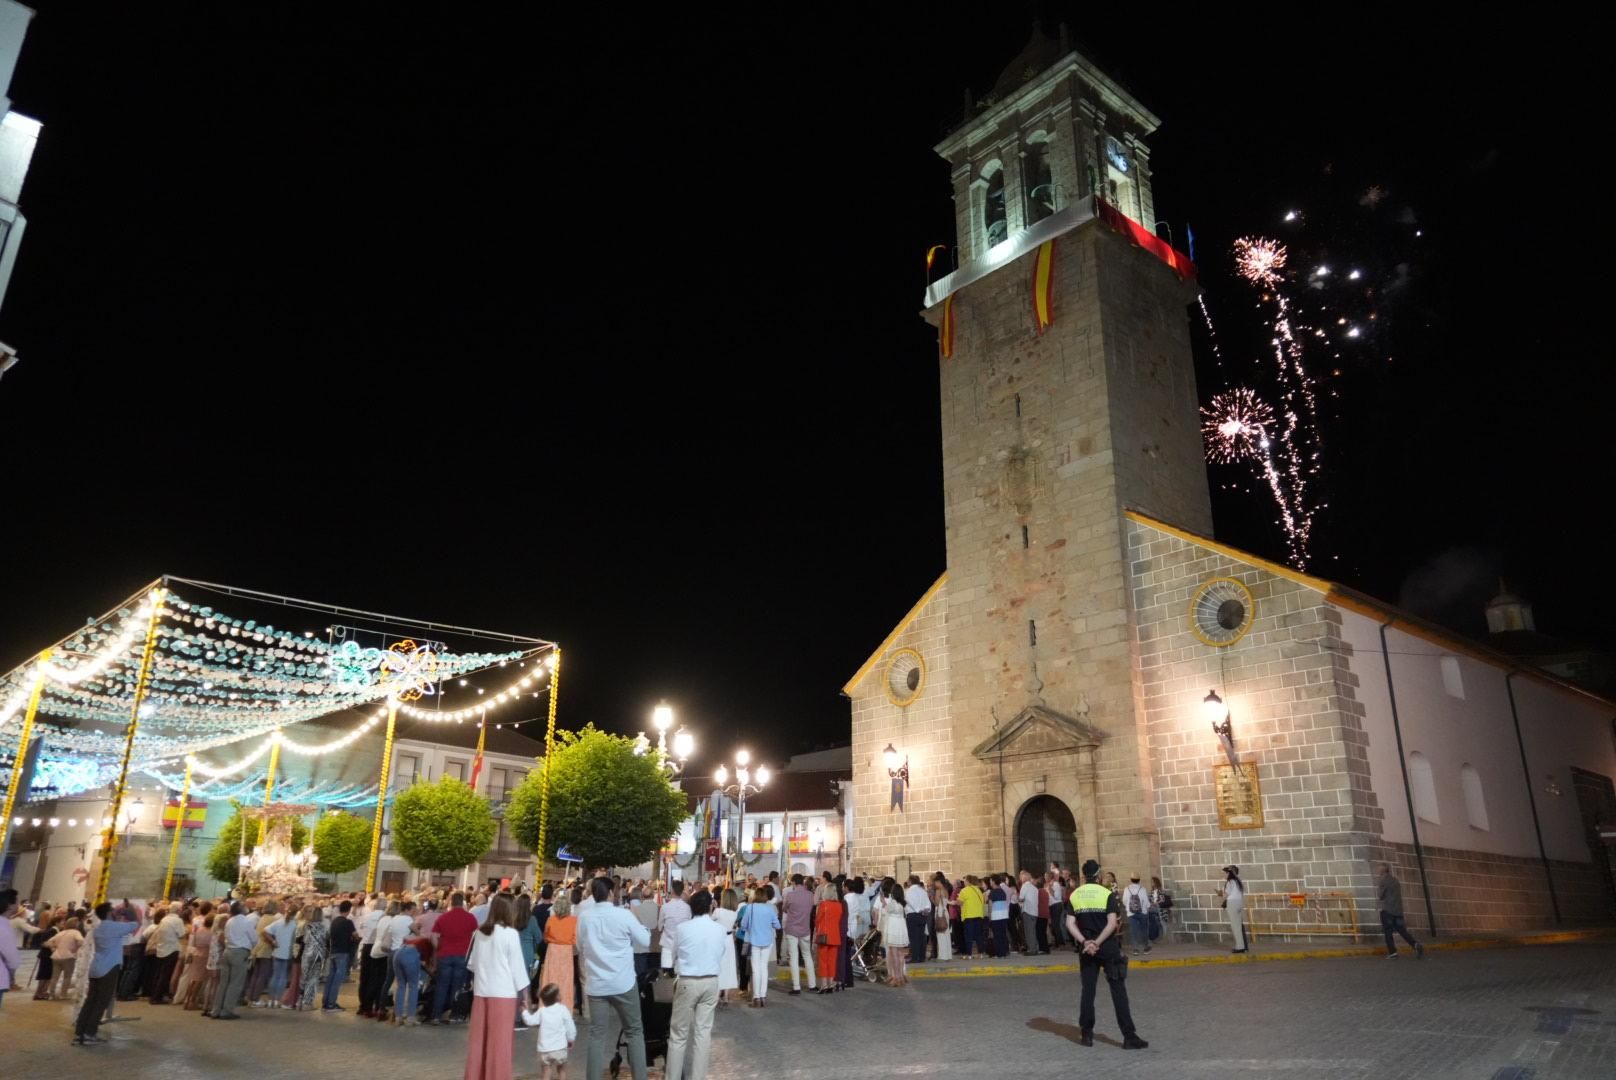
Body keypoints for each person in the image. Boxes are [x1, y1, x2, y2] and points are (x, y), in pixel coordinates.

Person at [1066, 858, 1147, 1050]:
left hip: (1086, 950)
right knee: (1118, 991)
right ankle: (1129, 1036)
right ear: (1099, 875)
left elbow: (1069, 924)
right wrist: (1098, 942)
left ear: (1084, 875)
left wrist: (1086, 942)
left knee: (1088, 991)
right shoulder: (1107, 894)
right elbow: (1112, 924)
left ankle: (1086, 1034)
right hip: (1108, 947)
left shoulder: (1075, 894)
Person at [575, 876, 650, 1080]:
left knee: (596, 1036)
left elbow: (579, 946)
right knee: (634, 1032)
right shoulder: (623, 915)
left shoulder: (584, 917)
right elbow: (645, 939)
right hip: (623, 982)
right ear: (610, 893)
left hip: (597, 984)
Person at [465, 895, 531, 1080]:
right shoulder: (510, 934)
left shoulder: (480, 933)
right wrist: (526, 996)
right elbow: (517, 968)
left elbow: (472, 963)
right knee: (500, 1044)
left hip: (481, 991)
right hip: (503, 994)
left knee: (479, 1041)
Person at [665, 888, 725, 1080]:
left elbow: (673, 954)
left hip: (687, 981)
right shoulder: (719, 929)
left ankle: (673, 1077)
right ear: (710, 906)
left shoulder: (683, 929)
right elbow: (720, 953)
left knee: (678, 1035)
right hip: (710, 981)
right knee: (703, 1034)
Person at [74, 902, 140, 1044]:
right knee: (101, 1002)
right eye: (113, 910)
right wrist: (132, 909)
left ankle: (80, 1032)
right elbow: (136, 923)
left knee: (90, 1001)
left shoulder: (98, 928)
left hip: (96, 966)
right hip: (109, 967)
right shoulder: (114, 927)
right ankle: (90, 1034)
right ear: (109, 913)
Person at [430, 891, 478, 1023]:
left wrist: (438, 948)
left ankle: (436, 1015)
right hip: (462, 955)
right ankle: (454, 1015)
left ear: (451, 902)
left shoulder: (443, 917)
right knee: (458, 986)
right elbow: (476, 936)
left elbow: (433, 936)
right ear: (463, 903)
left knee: (442, 985)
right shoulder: (470, 918)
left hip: (445, 955)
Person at [520, 983, 577, 1080]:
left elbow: (530, 1021)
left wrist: (524, 1011)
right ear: (557, 997)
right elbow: (570, 1026)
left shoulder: (542, 1011)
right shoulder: (563, 1009)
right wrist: (571, 1039)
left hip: (545, 1049)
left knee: (546, 1071)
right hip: (560, 1047)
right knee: (561, 1069)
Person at [210, 901, 256, 1020]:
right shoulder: (246, 921)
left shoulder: (230, 920)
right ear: (241, 909)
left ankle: (216, 1009)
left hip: (228, 951)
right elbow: (254, 938)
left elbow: (225, 936)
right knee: (235, 983)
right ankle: (227, 1010)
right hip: (240, 952)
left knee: (223, 982)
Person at [737, 886, 779, 1007]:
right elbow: (777, 925)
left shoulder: (750, 908)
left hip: (753, 941)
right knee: (763, 968)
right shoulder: (770, 908)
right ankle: (763, 996)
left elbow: (743, 925)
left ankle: (756, 998)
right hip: (767, 941)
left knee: (755, 970)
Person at [538, 893, 577, 1012]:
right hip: (566, 951)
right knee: (566, 979)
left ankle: (546, 1005)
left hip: (552, 950)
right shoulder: (574, 920)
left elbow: (545, 937)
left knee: (550, 978)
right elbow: (575, 938)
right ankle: (565, 1006)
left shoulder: (551, 920)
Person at [1377, 864, 1424, 960]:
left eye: (1379, 869)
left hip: (1388, 911)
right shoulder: (1396, 881)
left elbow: (1380, 896)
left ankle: (1393, 953)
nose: (1377, 870)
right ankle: (1415, 944)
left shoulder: (1383, 881)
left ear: (1383, 871)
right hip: (1398, 911)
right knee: (1402, 930)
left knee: (1388, 932)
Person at [780, 873, 817, 994]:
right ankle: (812, 984)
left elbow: (784, 909)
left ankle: (796, 986)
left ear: (794, 882)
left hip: (792, 929)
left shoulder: (790, 895)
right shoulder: (810, 895)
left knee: (794, 958)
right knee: (807, 956)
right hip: (805, 929)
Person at [323, 899, 357, 1011]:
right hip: (343, 952)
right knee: (337, 980)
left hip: (333, 951)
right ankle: (332, 1004)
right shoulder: (348, 922)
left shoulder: (335, 921)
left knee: (331, 978)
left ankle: (326, 1002)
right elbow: (355, 935)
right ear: (349, 910)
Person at [811, 883, 842, 994]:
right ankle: (831, 983)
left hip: (824, 935)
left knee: (823, 961)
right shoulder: (839, 905)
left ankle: (824, 985)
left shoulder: (823, 905)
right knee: (832, 961)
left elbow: (817, 920)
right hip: (835, 936)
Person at [298, 905, 329, 1011]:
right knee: (313, 978)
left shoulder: (308, 926)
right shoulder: (324, 926)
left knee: (304, 977)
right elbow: (326, 940)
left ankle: (299, 1001)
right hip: (318, 955)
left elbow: (305, 940)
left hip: (307, 953)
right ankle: (307, 1003)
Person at [712, 888, 740, 1005]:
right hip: (729, 940)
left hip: (719, 939)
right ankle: (726, 996)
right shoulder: (734, 913)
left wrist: (713, 907)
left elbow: (710, 921)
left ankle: (717, 995)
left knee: (718, 966)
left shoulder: (718, 911)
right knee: (728, 967)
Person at [657, 878, 691, 971]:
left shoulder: (665, 907)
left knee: (668, 970)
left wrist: (661, 930)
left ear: (672, 891)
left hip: (668, 941)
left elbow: (660, 924)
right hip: (682, 940)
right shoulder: (687, 907)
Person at [48, 915, 85, 1000]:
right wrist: (75, 949)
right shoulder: (76, 932)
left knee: (54, 977)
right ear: (75, 924)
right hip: (68, 957)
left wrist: (53, 949)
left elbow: (50, 941)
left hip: (56, 956)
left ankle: (51, 994)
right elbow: (80, 941)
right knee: (67, 977)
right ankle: (63, 994)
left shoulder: (61, 932)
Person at [180, 914, 212, 1009]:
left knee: (193, 979)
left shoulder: (198, 930)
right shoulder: (210, 932)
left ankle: (187, 1000)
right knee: (199, 980)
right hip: (204, 955)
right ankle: (192, 1002)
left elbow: (193, 942)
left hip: (196, 954)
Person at [881, 880, 909, 986]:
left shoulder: (893, 904)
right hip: (900, 929)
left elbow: (886, 910)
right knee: (900, 954)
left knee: (894, 955)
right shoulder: (902, 904)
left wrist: (883, 901)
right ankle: (901, 976)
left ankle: (896, 977)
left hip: (893, 929)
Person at [0, 888, 24, 1008]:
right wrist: (14, 965)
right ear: (10, 905)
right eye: (17, 902)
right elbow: (11, 956)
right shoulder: (3, 925)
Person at [1121, 873, 1154, 954]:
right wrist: (1148, 906)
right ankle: (1146, 948)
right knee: (1144, 930)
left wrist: (1129, 908)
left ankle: (1135, 949)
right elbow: (1146, 901)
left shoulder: (1126, 889)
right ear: (1139, 880)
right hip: (1142, 912)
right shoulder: (1142, 889)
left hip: (1131, 914)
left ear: (1131, 880)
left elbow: (1124, 901)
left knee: (1133, 931)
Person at [1218, 865, 1248, 954]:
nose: (1225, 874)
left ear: (1229, 873)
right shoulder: (1238, 881)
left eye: (1226, 873)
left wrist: (1220, 894)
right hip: (1239, 903)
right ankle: (1244, 946)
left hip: (1232, 904)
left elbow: (1226, 895)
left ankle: (1240, 947)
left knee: (1235, 926)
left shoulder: (1230, 882)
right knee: (1239, 926)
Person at [903, 875, 931, 965]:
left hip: (912, 915)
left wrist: (917, 909)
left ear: (910, 881)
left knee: (914, 938)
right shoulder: (923, 891)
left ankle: (915, 957)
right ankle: (922, 957)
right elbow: (928, 904)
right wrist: (924, 910)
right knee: (921, 937)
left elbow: (909, 902)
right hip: (923, 915)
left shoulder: (908, 891)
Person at [959, 875, 986, 957]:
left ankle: (969, 954)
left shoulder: (964, 890)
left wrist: (953, 902)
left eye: (965, 881)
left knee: (968, 936)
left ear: (968, 881)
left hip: (968, 916)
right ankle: (980, 953)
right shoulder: (978, 890)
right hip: (979, 915)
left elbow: (960, 902)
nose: (964, 882)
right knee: (979, 935)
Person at [929, 873, 954, 961]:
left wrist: (931, 898)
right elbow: (947, 902)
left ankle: (942, 955)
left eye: (935, 882)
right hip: (945, 912)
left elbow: (936, 903)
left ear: (939, 881)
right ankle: (947, 955)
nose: (935, 884)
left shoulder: (938, 890)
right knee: (946, 934)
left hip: (939, 912)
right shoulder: (946, 890)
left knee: (940, 934)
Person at [1018, 871, 1043, 956]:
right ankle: (1035, 948)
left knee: (1029, 932)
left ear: (1024, 878)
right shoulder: (1034, 887)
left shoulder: (1025, 886)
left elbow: (1021, 898)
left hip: (1028, 911)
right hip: (1034, 912)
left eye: (1021, 877)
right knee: (1032, 931)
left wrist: (1019, 901)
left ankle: (1032, 950)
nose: (1020, 879)